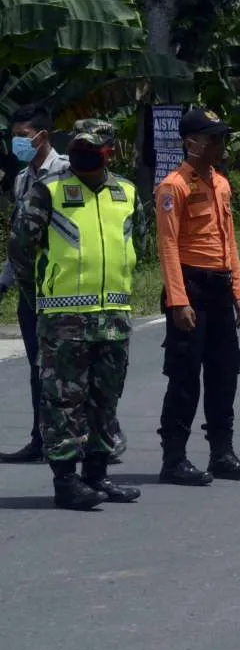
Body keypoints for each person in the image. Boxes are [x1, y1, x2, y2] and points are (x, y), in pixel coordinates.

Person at [7, 119, 142, 510]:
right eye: (79, 144)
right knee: (63, 402)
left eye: (93, 146)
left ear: (109, 151)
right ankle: (66, 482)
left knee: (105, 400)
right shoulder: (48, 192)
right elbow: (20, 251)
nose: (85, 151)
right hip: (64, 319)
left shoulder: (127, 193)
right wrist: (38, 298)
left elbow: (136, 242)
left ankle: (97, 477)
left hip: (114, 315)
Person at [154, 106, 240, 486]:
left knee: (224, 372)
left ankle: (222, 454)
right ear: (192, 142)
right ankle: (174, 459)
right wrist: (179, 301)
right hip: (190, 289)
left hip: (219, 288)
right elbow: (166, 247)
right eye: (213, 137)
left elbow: (229, 242)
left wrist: (239, 292)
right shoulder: (173, 188)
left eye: (221, 137)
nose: (220, 144)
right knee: (184, 377)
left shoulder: (221, 184)